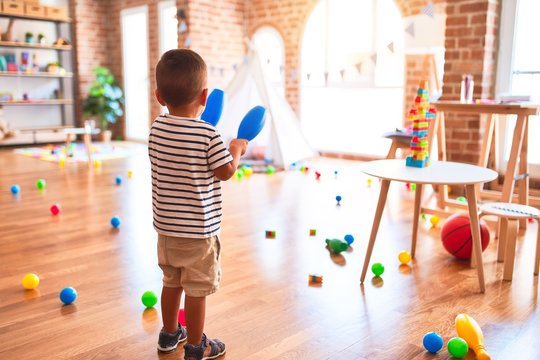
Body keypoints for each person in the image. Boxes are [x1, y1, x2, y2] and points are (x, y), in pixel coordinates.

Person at [149, 49, 247, 359]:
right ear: (204, 96)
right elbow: (225, 172)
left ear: (159, 96)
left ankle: (168, 335)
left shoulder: (156, 129)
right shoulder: (208, 134)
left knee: (171, 282)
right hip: (197, 232)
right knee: (196, 289)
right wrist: (237, 149)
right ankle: (195, 346)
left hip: (166, 230)